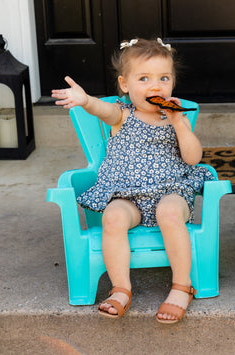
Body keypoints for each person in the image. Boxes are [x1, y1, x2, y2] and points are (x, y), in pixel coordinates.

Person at [51, 38, 214, 324]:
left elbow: (192, 158)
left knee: (171, 213)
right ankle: (120, 288)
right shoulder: (122, 115)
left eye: (164, 78)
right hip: (128, 196)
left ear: (173, 82)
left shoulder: (175, 118)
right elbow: (101, 110)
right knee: (112, 218)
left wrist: (179, 124)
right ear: (125, 85)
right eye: (144, 79)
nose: (155, 86)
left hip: (170, 191)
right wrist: (86, 100)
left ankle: (181, 286)